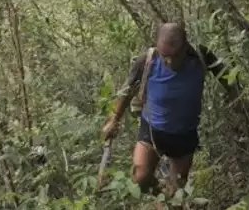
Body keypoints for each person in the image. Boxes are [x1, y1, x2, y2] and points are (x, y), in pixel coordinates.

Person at [102, 22, 239, 199]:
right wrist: (114, 118)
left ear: (185, 47)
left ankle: (167, 197)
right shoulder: (148, 60)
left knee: (176, 197)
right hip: (151, 130)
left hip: (184, 134)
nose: (168, 61)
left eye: (173, 56)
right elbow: (127, 91)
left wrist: (237, 97)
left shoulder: (200, 56)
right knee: (140, 177)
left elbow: (226, 75)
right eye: (164, 55)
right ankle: (160, 190)